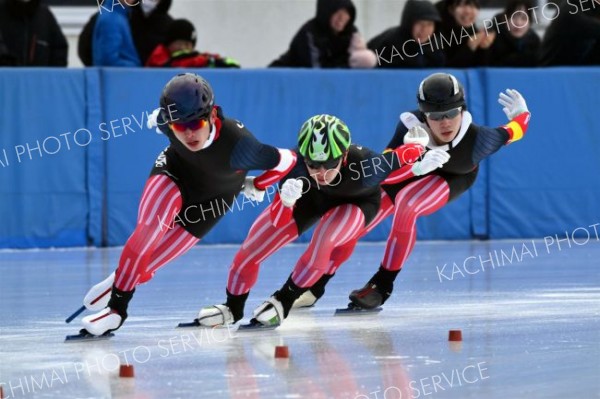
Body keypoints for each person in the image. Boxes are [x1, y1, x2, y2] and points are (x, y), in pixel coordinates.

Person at [78, 73, 297, 336]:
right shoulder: (167, 122)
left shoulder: (242, 146)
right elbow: (165, 121)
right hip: (174, 175)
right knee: (147, 232)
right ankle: (116, 309)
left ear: (213, 115)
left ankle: (121, 278)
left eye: (197, 122)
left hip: (213, 202)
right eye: (180, 127)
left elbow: (288, 161)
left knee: (147, 265)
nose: (190, 132)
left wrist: (258, 184)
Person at [295, 72, 531, 310]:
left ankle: (382, 284)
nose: (445, 122)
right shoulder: (411, 127)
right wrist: (410, 160)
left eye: (451, 113)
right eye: (436, 116)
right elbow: (384, 165)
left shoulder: (479, 140)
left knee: (408, 204)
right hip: (411, 169)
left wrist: (523, 114)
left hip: (454, 176)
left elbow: (515, 130)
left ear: (462, 110)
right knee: (357, 221)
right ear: (424, 115)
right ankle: (316, 284)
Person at [197, 114, 450, 328]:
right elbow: (277, 221)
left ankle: (284, 299)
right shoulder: (296, 168)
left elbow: (396, 165)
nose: (321, 173)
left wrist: (417, 153)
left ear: (343, 156)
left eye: (329, 164)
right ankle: (233, 307)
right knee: (249, 251)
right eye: (313, 164)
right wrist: (285, 203)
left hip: (356, 202)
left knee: (325, 239)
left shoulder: (365, 164)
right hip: (311, 199)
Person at [269, 0, 376, 68]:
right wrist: (345, 64)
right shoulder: (310, 32)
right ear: (327, 12)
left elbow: (357, 59)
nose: (341, 18)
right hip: (285, 78)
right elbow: (316, 69)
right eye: (337, 12)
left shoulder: (351, 33)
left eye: (346, 13)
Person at [368, 0, 445, 68]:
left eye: (429, 24)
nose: (424, 29)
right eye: (419, 23)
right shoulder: (390, 43)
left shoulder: (436, 47)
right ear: (409, 23)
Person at [146, 19, 240, 68]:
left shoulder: (192, 58)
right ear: (169, 43)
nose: (183, 48)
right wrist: (205, 61)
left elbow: (203, 58)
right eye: (179, 43)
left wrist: (216, 61)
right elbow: (172, 66)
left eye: (187, 44)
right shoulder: (159, 55)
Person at [0, 0, 68, 66]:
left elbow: (59, 50)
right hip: (5, 76)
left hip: (40, 76)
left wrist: (51, 75)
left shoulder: (45, 16)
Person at [539, 0, 600, 66]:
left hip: (579, 69)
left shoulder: (593, 7)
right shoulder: (570, 8)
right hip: (551, 70)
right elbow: (593, 28)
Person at [436, 0, 494, 67]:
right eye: (461, 5)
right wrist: (469, 48)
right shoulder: (438, 35)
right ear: (451, 10)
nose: (468, 11)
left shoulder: (475, 33)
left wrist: (484, 49)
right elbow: (443, 72)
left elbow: (483, 71)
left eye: (473, 6)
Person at [486, 0, 541, 67]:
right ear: (505, 19)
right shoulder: (491, 40)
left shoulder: (534, 42)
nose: (518, 23)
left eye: (524, 18)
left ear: (530, 23)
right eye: (513, 17)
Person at [92, 0, 141, 66]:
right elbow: (108, 61)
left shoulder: (120, 14)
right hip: (119, 75)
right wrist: (136, 69)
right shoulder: (111, 19)